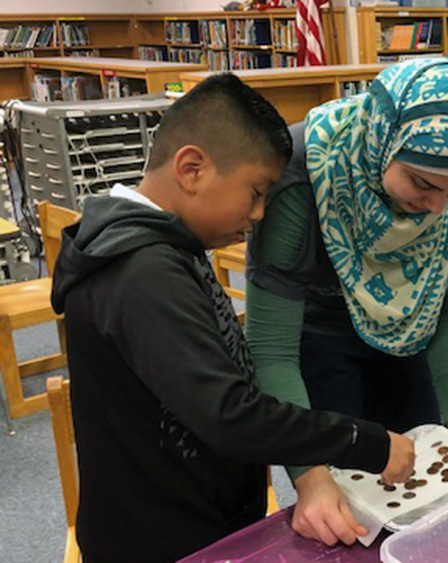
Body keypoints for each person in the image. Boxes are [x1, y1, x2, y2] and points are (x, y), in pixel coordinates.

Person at [50, 73, 415, 563]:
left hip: (204, 516)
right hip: (162, 540)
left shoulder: (170, 246)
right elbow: (229, 413)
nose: (260, 213)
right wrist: (363, 441)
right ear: (192, 169)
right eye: (256, 191)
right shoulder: (142, 273)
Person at [245, 58, 448, 546]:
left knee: (427, 478)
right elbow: (271, 347)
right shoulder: (304, 175)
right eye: (423, 184)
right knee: (349, 495)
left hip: (411, 330)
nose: (437, 207)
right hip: (319, 334)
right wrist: (311, 477)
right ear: (382, 140)